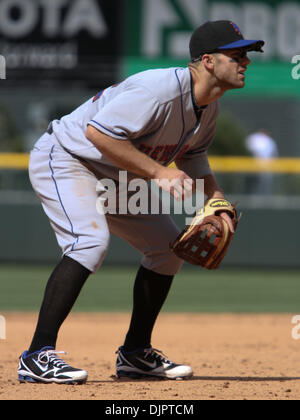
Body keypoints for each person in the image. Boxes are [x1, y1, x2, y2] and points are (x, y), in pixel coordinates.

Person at [18, 20, 264, 384]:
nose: (246, 61)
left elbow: (193, 156)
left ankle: (135, 353)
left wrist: (217, 198)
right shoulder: (159, 90)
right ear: (209, 61)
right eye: (238, 54)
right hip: (68, 158)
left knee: (167, 250)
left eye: (247, 55)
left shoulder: (208, 107)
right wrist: (159, 174)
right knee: (89, 242)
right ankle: (37, 355)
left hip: (117, 172)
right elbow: (97, 133)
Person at [245, 129, 279, 194]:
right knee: (253, 186)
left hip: (266, 168)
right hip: (254, 167)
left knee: (264, 187)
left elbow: (274, 155)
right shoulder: (254, 138)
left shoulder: (269, 141)